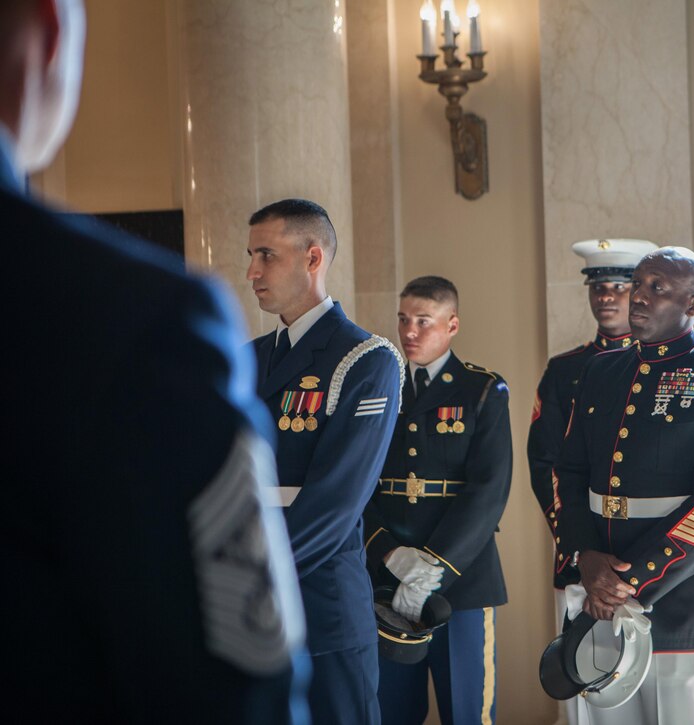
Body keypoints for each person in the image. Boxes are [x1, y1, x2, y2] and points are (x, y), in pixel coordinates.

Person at [2, 1, 308, 722]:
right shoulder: (132, 320)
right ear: (48, 34)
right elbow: (233, 692)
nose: (255, 267)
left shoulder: (365, 362)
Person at [552, 247, 694, 724]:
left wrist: (630, 580)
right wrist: (583, 557)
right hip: (594, 579)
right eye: (638, 284)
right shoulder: (601, 371)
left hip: (679, 592)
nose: (638, 297)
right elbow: (570, 472)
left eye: (658, 288)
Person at [247, 198, 403, 724]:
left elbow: (335, 503)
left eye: (266, 255)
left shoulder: (367, 359)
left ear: (312, 258)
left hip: (320, 604)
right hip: (244, 608)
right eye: (251, 255)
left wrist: (249, 578)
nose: (252, 271)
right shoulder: (245, 356)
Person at [364, 275, 512, 725]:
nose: (409, 332)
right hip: (386, 579)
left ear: (452, 325)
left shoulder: (482, 390)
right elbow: (359, 484)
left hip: (460, 581)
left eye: (423, 321)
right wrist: (388, 554)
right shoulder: (377, 386)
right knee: (390, 710)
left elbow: (489, 491)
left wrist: (432, 570)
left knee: (466, 710)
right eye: (404, 320)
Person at [527, 239, 657, 636]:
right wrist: (579, 546)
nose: (606, 296)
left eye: (619, 287)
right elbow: (545, 462)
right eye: (598, 287)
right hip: (579, 552)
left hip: (648, 554)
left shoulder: (664, 367)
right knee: (579, 681)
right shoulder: (566, 370)